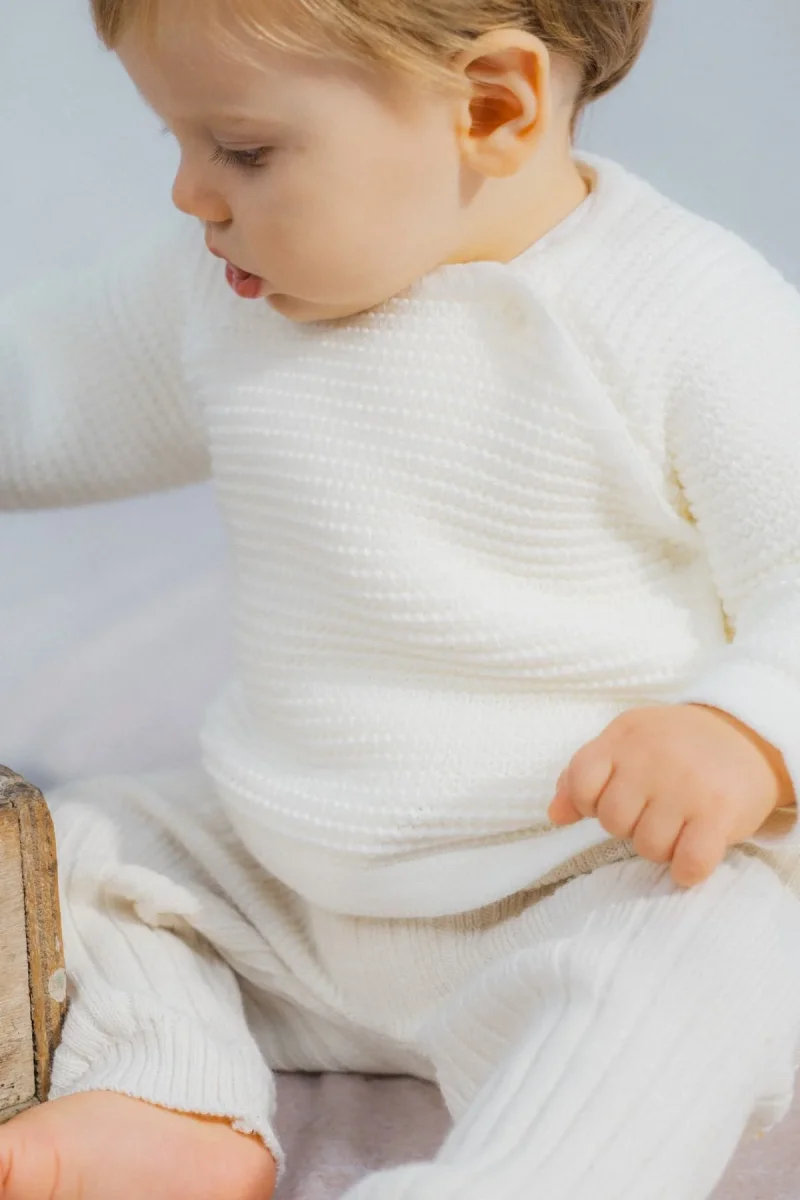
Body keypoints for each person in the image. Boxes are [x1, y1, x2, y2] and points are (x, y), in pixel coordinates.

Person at [2, 0, 800, 1196]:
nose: (190, 194)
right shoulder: (219, 292)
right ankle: (167, 1091)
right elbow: (33, 387)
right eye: (180, 140)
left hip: (576, 873)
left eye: (243, 149)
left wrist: (743, 729)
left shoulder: (683, 310)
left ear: (490, 106)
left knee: (703, 954)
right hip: (286, 873)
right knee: (70, 847)